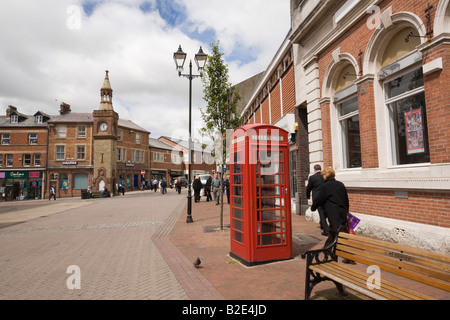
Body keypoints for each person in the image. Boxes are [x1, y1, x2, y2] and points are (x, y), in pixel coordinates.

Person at [311, 168, 353, 264]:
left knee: (340, 234)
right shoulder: (340, 184)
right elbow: (346, 200)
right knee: (333, 232)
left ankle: (348, 255)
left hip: (333, 213)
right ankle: (326, 249)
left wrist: (313, 207)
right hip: (342, 212)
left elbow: (319, 199)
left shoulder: (325, 186)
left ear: (325, 176)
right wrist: (346, 211)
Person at [307, 164, 329, 236]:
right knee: (324, 212)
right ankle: (322, 224)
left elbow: (309, 188)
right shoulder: (325, 176)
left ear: (314, 170)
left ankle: (326, 230)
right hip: (325, 197)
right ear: (320, 169)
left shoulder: (312, 177)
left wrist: (308, 196)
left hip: (317, 198)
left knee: (321, 213)